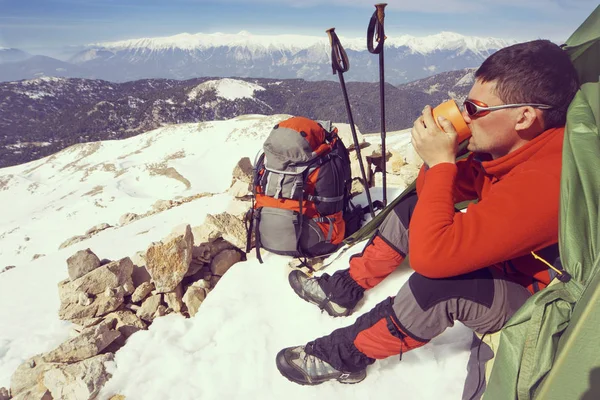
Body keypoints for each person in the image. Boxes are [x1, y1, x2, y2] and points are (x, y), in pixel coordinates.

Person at [275, 39, 580, 395]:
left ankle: (345, 356)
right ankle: (344, 289)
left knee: (439, 287)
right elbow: (435, 189)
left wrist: (441, 164)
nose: (465, 116)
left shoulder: (547, 180)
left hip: (531, 292)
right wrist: (443, 160)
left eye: (474, 108)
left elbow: (430, 259)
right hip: (506, 256)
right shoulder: (516, 147)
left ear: (524, 117)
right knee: (415, 207)